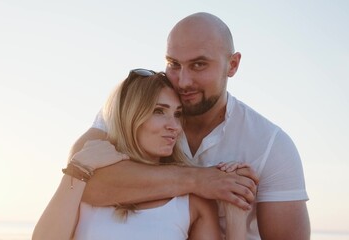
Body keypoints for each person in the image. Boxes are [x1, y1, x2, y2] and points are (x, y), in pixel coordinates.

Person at [69, 12, 310, 239]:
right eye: (174, 64)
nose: (183, 81)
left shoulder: (271, 145)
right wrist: (200, 180)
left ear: (233, 65)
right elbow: (80, 180)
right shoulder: (130, 112)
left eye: (198, 65)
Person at [33, 70, 249, 240]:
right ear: (132, 116)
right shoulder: (89, 178)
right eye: (159, 111)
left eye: (177, 114)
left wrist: (236, 215)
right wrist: (79, 166)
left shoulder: (192, 201)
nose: (174, 126)